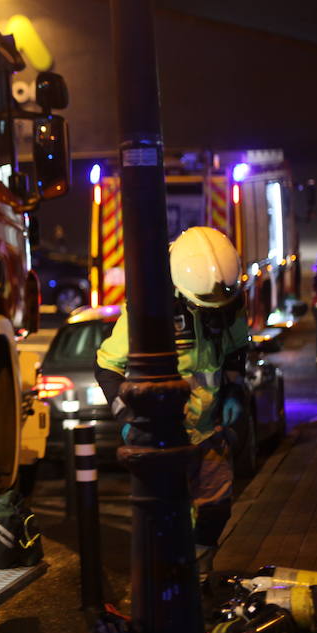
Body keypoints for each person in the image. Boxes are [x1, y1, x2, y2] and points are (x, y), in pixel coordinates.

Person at [94, 226, 251, 574]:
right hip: (163, 437)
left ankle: (198, 579)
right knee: (167, 519)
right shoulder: (151, 309)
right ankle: (173, 585)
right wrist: (127, 419)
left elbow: (237, 350)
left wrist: (235, 392)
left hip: (208, 431)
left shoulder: (227, 300)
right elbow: (107, 366)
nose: (212, 311)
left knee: (215, 511)